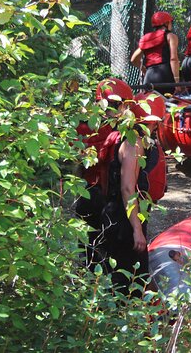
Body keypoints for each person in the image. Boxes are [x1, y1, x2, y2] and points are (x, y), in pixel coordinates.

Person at [100, 91, 167, 296]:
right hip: (123, 219)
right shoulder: (133, 143)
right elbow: (128, 188)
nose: (155, 127)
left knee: (131, 275)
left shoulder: (133, 137)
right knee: (127, 279)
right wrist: (136, 229)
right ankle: (123, 321)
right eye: (153, 123)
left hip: (125, 214)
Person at [75, 78, 133, 266]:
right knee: (108, 244)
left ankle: (91, 279)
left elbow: (76, 158)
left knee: (89, 243)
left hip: (90, 189)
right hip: (106, 194)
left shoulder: (85, 123)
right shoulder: (122, 128)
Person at [130, 11, 180, 96]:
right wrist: (177, 81)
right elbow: (173, 59)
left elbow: (134, 59)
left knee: (151, 105)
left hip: (149, 77)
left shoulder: (148, 39)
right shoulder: (170, 36)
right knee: (169, 104)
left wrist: (144, 70)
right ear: (167, 23)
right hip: (165, 75)